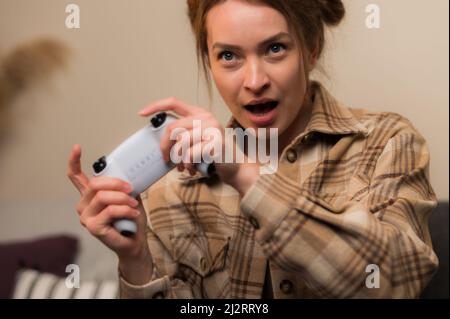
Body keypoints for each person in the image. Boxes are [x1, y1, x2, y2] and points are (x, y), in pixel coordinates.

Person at [67, 0, 438, 298]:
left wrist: (246, 175)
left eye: (275, 48)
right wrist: (135, 262)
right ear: (209, 62)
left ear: (311, 49)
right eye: (229, 56)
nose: (255, 81)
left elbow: (394, 284)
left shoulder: (388, 141)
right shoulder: (171, 189)